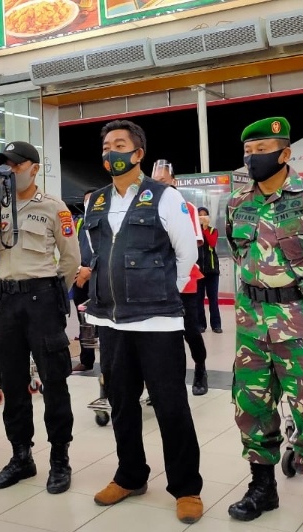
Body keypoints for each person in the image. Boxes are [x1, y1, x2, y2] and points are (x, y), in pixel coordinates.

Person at [225, 117, 303, 529]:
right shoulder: (237, 203)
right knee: (252, 407)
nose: (252, 157)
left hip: (302, 324)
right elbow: (240, 256)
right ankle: (262, 489)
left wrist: (302, 294)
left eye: (262, 149)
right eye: (248, 150)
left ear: (285, 153)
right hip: (250, 323)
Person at [83, 119, 204, 524]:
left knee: (171, 407)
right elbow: (96, 256)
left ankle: (186, 487)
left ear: (138, 154)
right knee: (121, 404)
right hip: (111, 322)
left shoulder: (165, 197)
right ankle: (131, 475)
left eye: (119, 144)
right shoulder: (94, 202)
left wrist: (159, 293)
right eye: (106, 146)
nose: (110, 152)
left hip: (157, 322)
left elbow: (186, 255)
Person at [0, 141, 81, 495]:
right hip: (6, 302)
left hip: (42, 300)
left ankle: (59, 460)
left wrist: (52, 296)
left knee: (54, 381)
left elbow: (69, 259)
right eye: (5, 165)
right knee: (12, 382)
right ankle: (21, 457)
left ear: (34, 168)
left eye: (16, 165)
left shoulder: (53, 207)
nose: (10, 171)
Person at [150, 159, 209, 396]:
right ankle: (167, 381)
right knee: (161, 334)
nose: (159, 186)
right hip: (155, 281)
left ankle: (200, 368)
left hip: (184, 280)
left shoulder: (188, 208)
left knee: (190, 330)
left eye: (163, 181)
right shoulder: (146, 207)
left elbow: (192, 245)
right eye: (155, 182)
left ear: (174, 181)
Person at [72, 189, 98, 373]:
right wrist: (80, 270)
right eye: (85, 200)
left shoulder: (106, 220)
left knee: (104, 322)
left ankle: (112, 363)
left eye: (92, 200)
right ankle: (86, 360)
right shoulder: (79, 222)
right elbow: (71, 249)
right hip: (80, 276)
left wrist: (93, 270)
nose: (88, 203)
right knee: (84, 321)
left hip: (100, 276)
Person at [196, 206, 223, 334]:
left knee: (213, 299)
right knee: (199, 299)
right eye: (199, 215)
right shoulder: (193, 232)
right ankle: (201, 325)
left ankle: (216, 325)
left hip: (212, 271)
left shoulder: (213, 230)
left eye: (204, 215)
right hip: (198, 271)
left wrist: (205, 229)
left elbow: (212, 243)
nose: (202, 217)